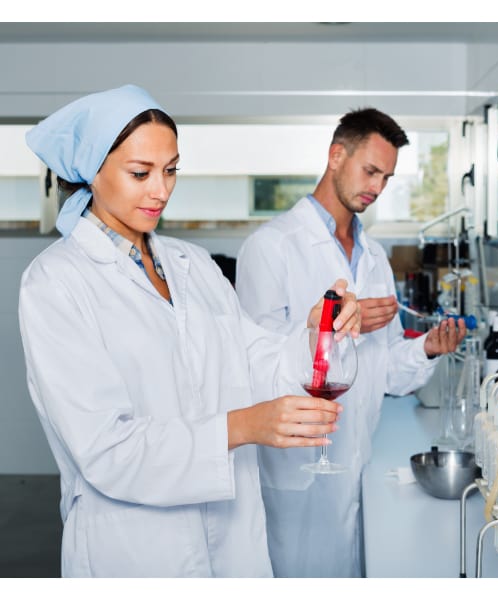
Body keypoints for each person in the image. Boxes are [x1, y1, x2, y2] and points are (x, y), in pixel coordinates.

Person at [18, 84, 361, 577]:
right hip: (133, 550)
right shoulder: (55, 283)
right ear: (92, 171)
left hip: (234, 543)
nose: (161, 190)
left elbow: (253, 361)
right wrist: (242, 426)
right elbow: (108, 449)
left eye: (171, 169)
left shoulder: (192, 265)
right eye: (140, 173)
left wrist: (318, 333)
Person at [236, 107, 467, 577]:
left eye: (387, 177)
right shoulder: (271, 247)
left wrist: (426, 348)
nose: (378, 187)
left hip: (355, 457)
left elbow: (381, 367)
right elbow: (257, 367)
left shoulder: (374, 257)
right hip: (299, 465)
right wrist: (339, 329)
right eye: (371, 171)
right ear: (336, 155)